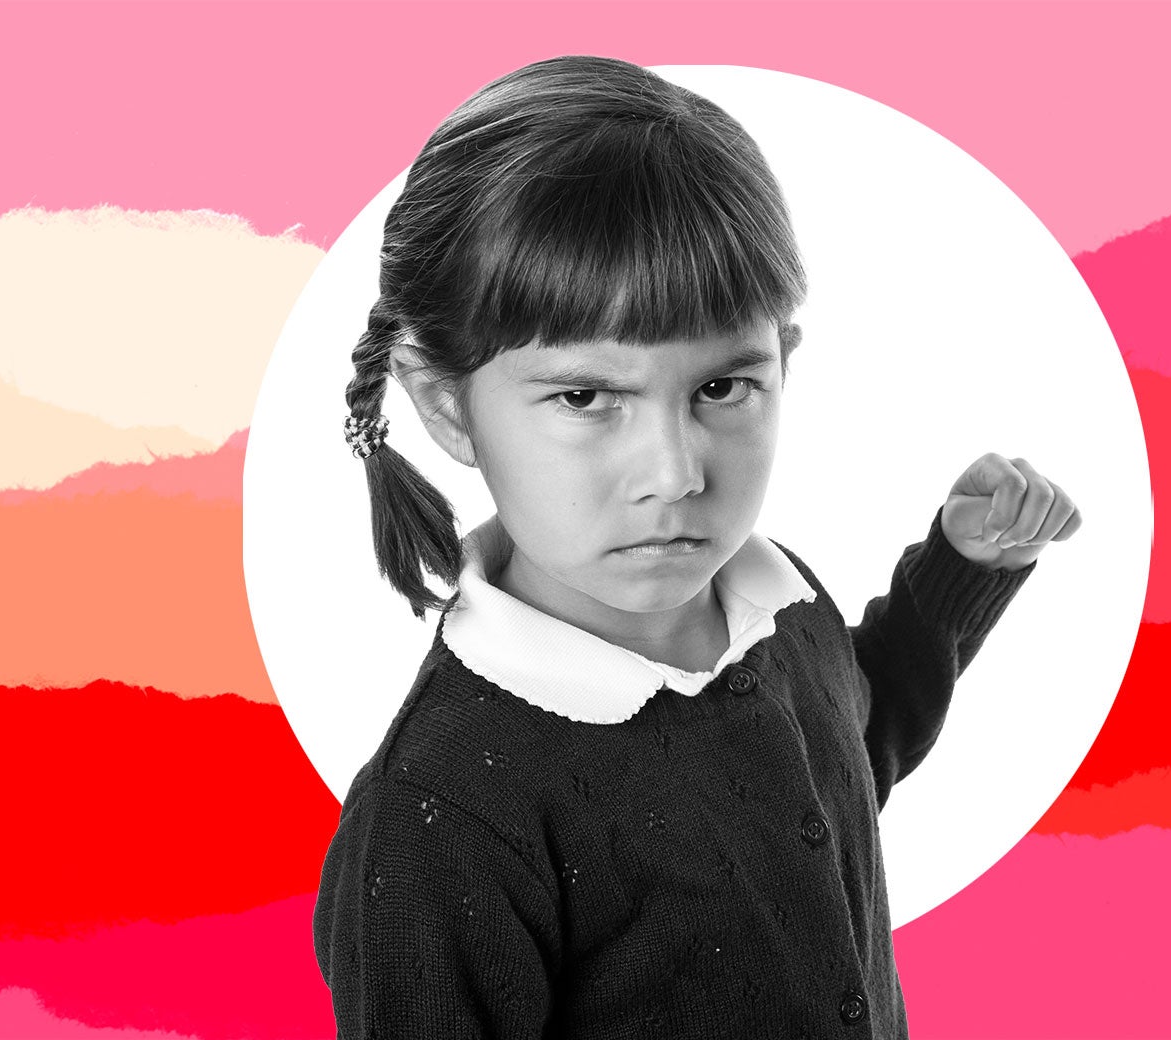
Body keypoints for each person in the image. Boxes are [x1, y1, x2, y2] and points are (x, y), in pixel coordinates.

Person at [312, 54, 1081, 1039]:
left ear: (782, 364)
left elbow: (845, 758)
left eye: (721, 387)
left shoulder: (778, 601)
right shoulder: (444, 812)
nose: (675, 472)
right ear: (446, 405)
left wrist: (960, 572)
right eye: (587, 396)